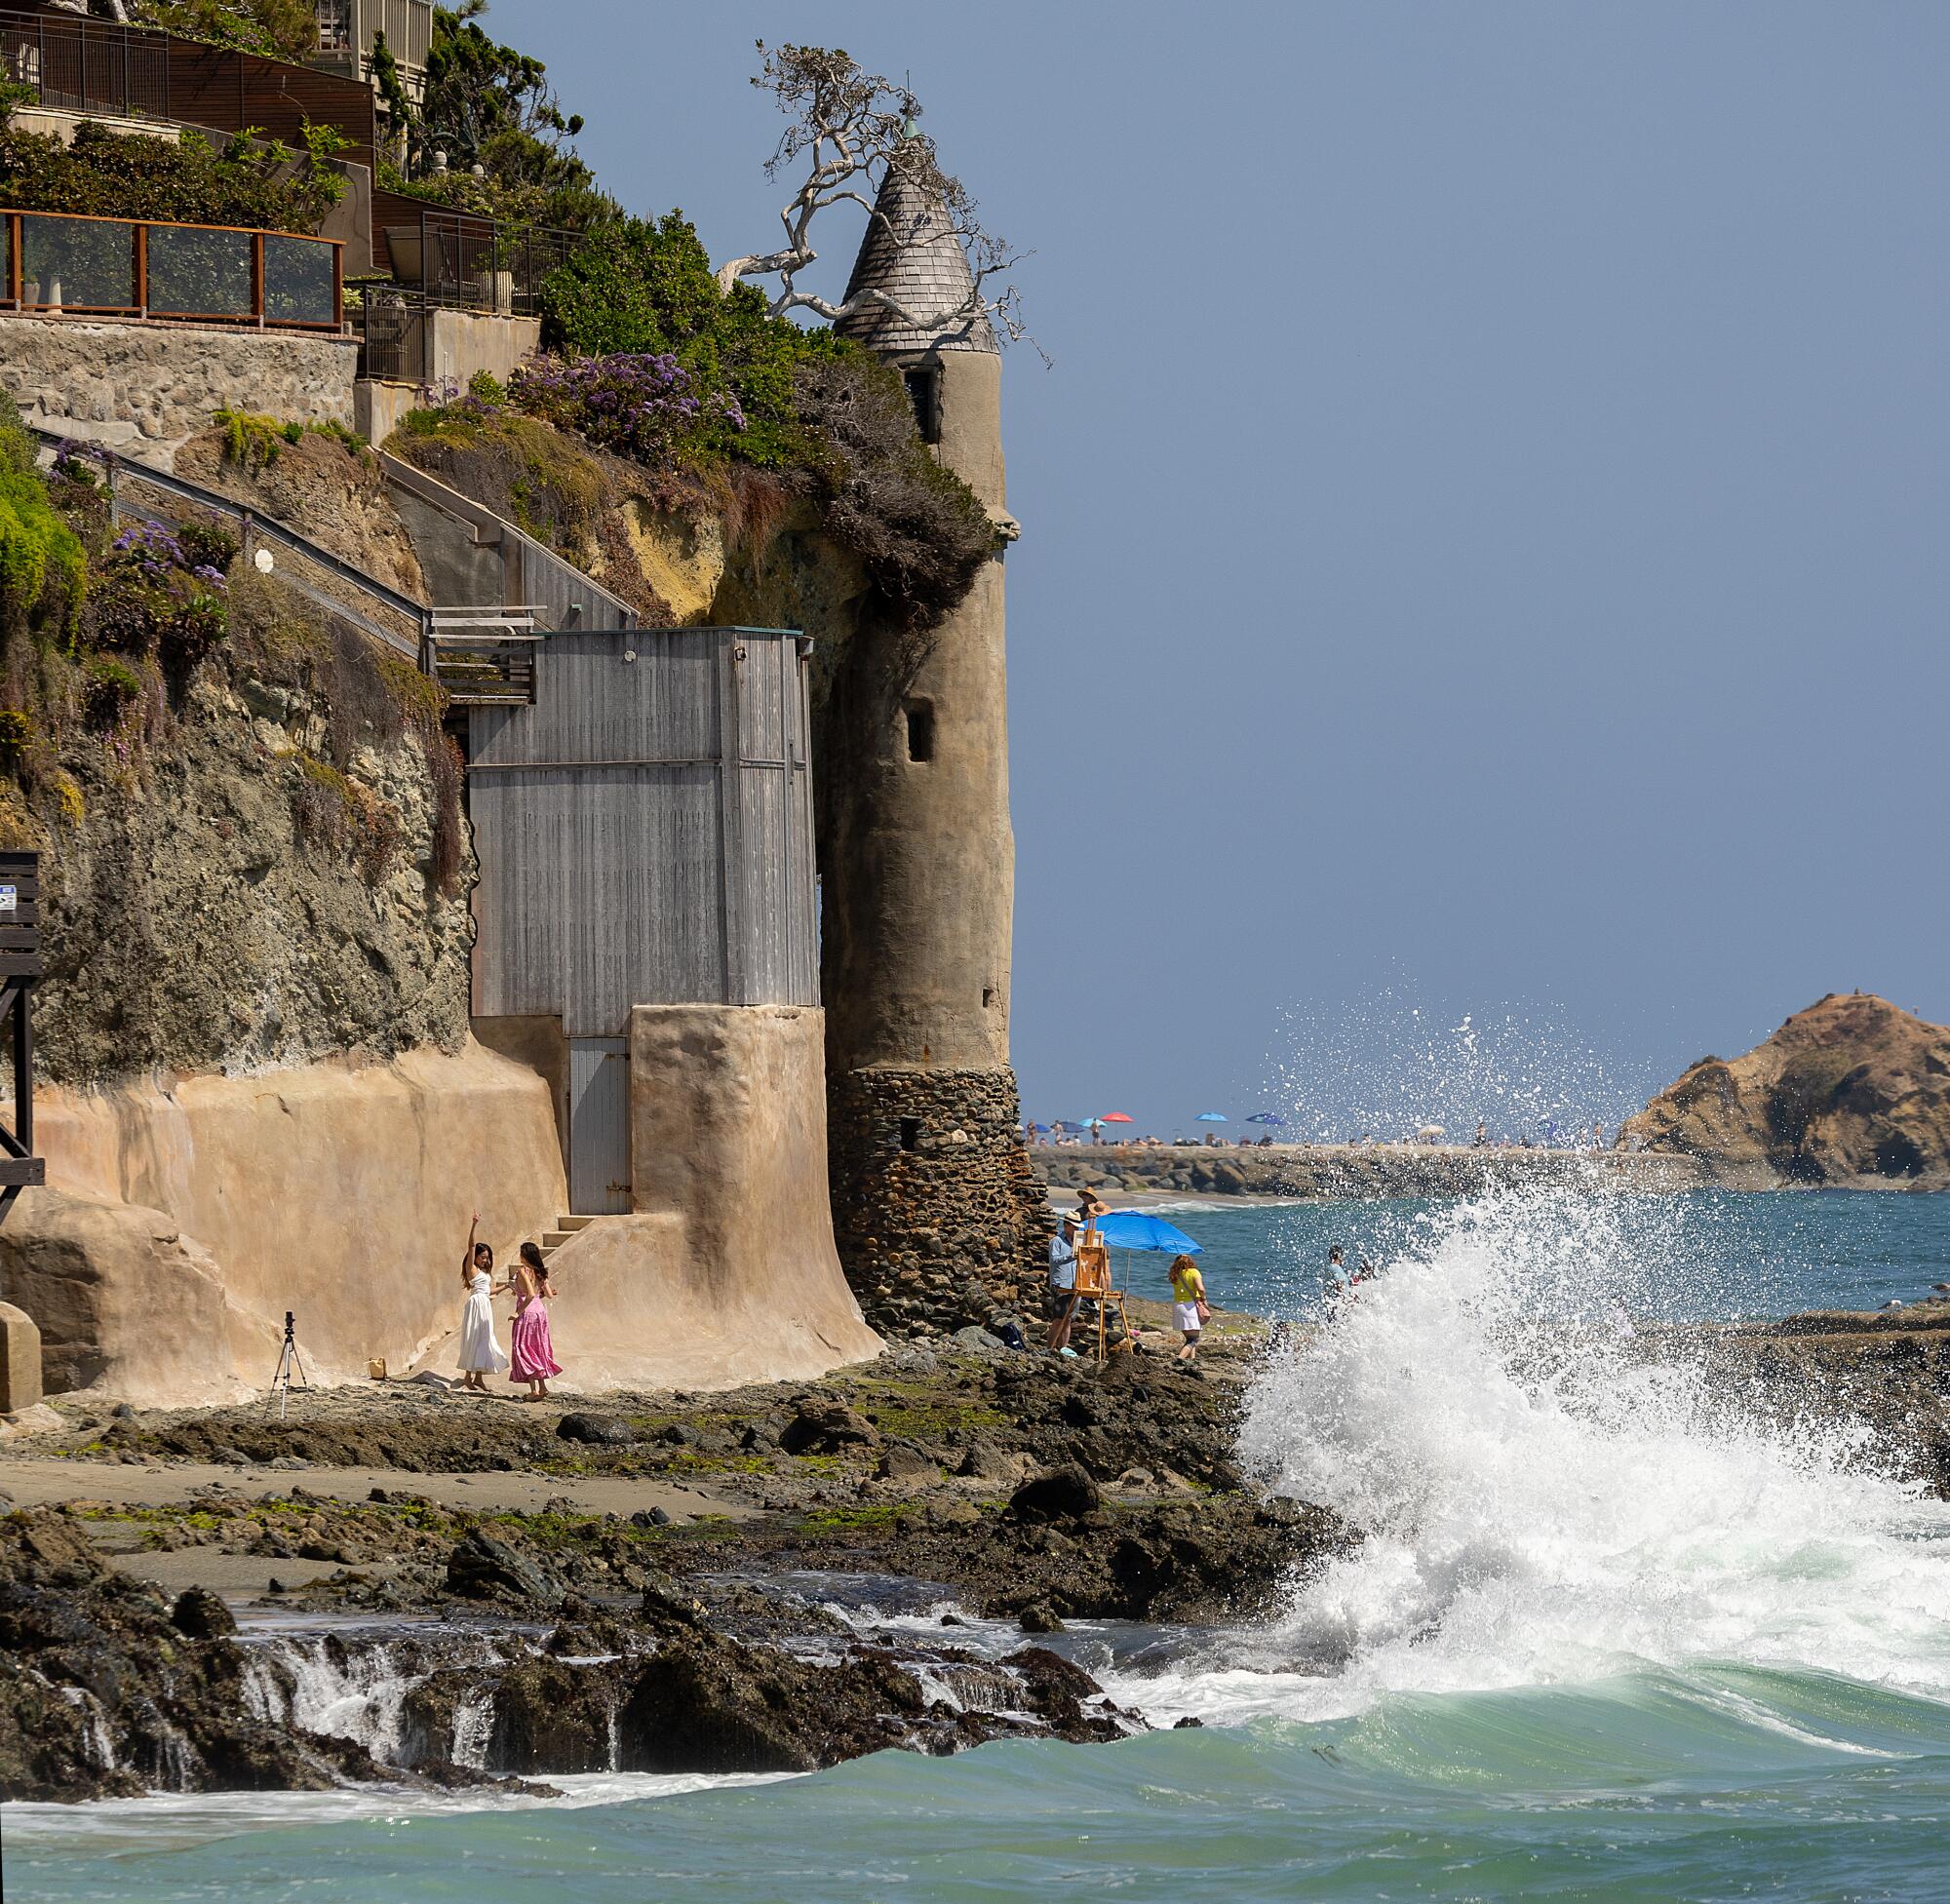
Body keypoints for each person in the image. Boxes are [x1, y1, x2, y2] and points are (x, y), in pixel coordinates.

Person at [455, 1214, 508, 1391]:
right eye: (482, 1257)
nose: (485, 1260)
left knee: (484, 1339)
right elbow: (471, 1245)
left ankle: (478, 1378)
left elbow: (488, 1292)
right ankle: (467, 1378)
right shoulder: (472, 1270)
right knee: (473, 1338)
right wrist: (473, 1225)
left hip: (485, 1305)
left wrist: (507, 1286)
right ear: (476, 1257)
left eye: (487, 1257)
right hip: (475, 1305)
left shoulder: (485, 1274)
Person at [508, 1240, 563, 1401]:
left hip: (527, 1314)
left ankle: (534, 1391)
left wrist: (517, 1312)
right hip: (540, 1313)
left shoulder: (523, 1271)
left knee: (524, 1348)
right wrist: (544, 1293)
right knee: (538, 1348)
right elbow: (548, 1294)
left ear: (524, 1255)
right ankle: (543, 1387)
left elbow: (530, 1295)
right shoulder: (540, 1272)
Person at [1045, 1212, 1081, 1352]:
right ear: (1066, 1225)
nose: (1077, 1230)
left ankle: (1063, 1349)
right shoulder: (1057, 1241)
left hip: (1074, 1284)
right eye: (1075, 1227)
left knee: (1068, 1320)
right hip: (1061, 1284)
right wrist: (1071, 1255)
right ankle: (1049, 1348)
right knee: (1059, 1318)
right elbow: (1054, 1260)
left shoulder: (1077, 1241)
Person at [1169, 1253, 1209, 1361]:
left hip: (1178, 1306)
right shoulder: (1194, 1272)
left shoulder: (1175, 1274)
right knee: (1194, 1340)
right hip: (1190, 1307)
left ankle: (1192, 1360)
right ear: (1190, 1261)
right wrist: (1204, 1299)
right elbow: (1201, 1289)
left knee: (1189, 1338)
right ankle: (1179, 1359)